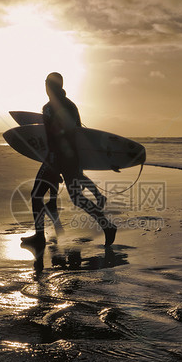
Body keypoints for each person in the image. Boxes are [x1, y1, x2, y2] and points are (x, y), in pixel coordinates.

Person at [22, 72, 116, 247]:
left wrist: (52, 166)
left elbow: (53, 139)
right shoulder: (72, 106)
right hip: (71, 157)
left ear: (49, 86)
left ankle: (40, 237)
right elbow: (80, 135)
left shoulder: (49, 108)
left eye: (46, 84)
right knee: (76, 197)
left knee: (36, 195)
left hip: (56, 158)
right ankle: (107, 226)